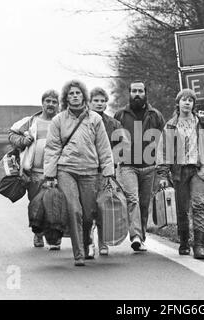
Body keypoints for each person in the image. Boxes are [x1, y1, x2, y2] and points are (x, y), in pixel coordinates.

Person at [44, 80, 114, 267]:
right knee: (74, 209)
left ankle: (85, 242)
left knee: (89, 213)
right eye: (71, 94)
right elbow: (52, 148)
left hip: (90, 171)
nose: (74, 96)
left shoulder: (95, 119)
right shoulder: (58, 120)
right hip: (66, 170)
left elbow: (104, 147)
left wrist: (108, 171)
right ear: (66, 98)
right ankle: (79, 254)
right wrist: (50, 175)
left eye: (78, 93)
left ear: (84, 96)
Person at [156, 88, 204, 260]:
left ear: (194, 104)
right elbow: (164, 150)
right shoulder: (171, 124)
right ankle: (184, 242)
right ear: (178, 103)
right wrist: (162, 174)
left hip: (198, 169)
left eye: (190, 100)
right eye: (184, 99)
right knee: (182, 209)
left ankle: (199, 246)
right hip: (179, 171)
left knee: (199, 206)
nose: (187, 102)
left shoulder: (201, 121)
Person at [114, 81, 165, 251]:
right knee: (133, 199)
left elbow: (163, 141)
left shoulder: (155, 115)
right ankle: (135, 236)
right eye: (134, 91)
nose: (137, 94)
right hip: (127, 165)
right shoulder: (120, 115)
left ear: (145, 93)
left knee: (144, 203)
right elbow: (113, 141)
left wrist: (163, 166)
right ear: (129, 93)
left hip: (149, 166)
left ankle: (141, 236)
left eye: (140, 91)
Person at [8, 89, 60, 250]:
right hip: (34, 173)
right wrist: (23, 140)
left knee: (54, 204)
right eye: (48, 101)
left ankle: (54, 236)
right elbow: (11, 134)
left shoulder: (61, 121)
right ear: (42, 103)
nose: (50, 104)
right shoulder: (31, 121)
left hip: (57, 172)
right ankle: (38, 234)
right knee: (36, 203)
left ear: (58, 105)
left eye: (54, 102)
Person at [88, 86, 123, 257]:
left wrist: (112, 163)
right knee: (87, 208)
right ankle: (88, 240)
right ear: (89, 102)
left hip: (105, 172)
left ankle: (103, 242)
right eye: (96, 101)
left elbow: (121, 146)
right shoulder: (82, 121)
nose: (99, 104)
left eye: (102, 101)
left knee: (103, 207)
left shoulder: (114, 124)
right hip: (86, 170)